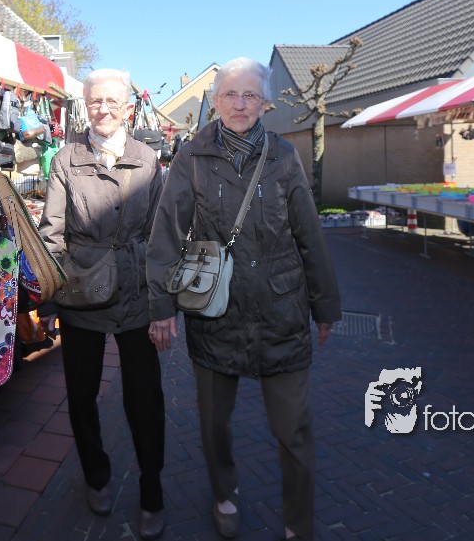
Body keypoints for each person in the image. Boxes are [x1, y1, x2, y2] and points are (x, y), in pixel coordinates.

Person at [146, 57, 342, 540]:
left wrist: (325, 305)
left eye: (250, 95)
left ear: (265, 103)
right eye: (230, 94)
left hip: (281, 310)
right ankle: (224, 494)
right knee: (214, 425)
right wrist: (162, 307)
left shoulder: (284, 157)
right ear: (215, 102)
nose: (240, 104)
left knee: (294, 429)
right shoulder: (191, 157)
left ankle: (298, 522)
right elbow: (166, 235)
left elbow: (309, 233)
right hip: (216, 312)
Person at [37, 69, 167, 539]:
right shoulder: (66, 158)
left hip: (135, 290)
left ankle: (151, 488)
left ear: (128, 108)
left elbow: (160, 237)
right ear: (85, 106)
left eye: (113, 101)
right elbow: (51, 234)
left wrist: (163, 306)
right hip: (82, 290)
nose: (104, 109)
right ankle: (96, 475)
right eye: (96, 101)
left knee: (145, 397)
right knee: (81, 394)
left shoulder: (148, 160)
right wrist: (49, 300)